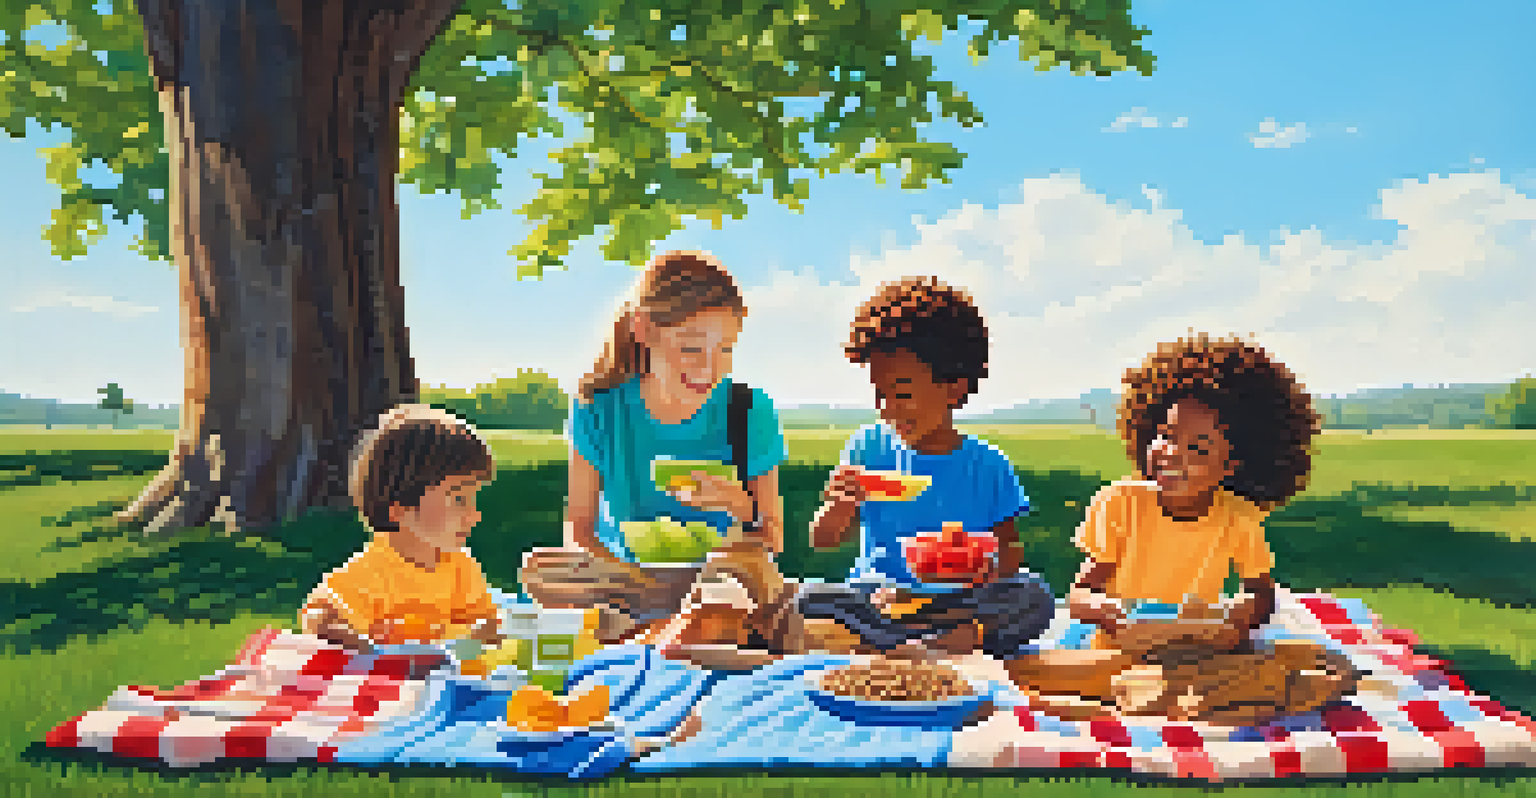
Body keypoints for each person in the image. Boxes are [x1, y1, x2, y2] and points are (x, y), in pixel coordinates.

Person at [1003, 334, 1357, 725]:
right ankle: (1175, 699)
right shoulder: (1120, 503)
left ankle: (1180, 698)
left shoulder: (1238, 516)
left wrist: (1240, 617)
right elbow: (1081, 594)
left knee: (1329, 664)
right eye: (1167, 436)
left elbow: (1260, 594)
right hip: (1122, 647)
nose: (1172, 454)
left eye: (1198, 449)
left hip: (1199, 647)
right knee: (1025, 671)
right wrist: (1107, 611)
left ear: (1232, 466)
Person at [519, 251, 797, 650]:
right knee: (541, 570)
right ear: (644, 330)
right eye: (691, 348)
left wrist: (744, 508)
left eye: (725, 350)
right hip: (628, 579)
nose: (709, 368)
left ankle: (654, 631)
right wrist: (629, 577)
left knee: (741, 578)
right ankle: (683, 629)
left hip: (718, 576)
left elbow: (772, 538)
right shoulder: (598, 407)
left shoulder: (750, 410)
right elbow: (579, 528)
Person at [792, 276, 1057, 660]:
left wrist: (985, 567)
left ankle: (915, 636)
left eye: (902, 394)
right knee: (809, 598)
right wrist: (838, 507)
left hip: (959, 601)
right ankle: (931, 638)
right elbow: (824, 540)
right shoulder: (868, 447)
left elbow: (1009, 552)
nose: (887, 408)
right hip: (878, 596)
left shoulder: (988, 465)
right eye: (879, 394)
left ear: (953, 389)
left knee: (1034, 597)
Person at [299, 405, 504, 654]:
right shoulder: (372, 572)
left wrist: (472, 637)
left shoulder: (459, 566)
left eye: (474, 499)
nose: (474, 515)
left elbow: (487, 626)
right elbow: (319, 619)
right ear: (399, 508)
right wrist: (374, 649)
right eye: (459, 499)